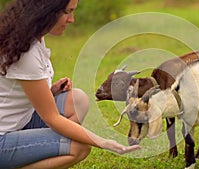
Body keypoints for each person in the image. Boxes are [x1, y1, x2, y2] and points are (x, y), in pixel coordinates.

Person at [0, 0, 141, 168]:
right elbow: (52, 118)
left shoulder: (30, 39)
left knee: (78, 100)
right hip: (3, 139)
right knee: (79, 147)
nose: (72, 19)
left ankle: (44, 147)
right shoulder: (27, 53)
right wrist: (103, 142)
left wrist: (50, 91)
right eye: (67, 12)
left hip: (22, 122)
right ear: (46, 11)